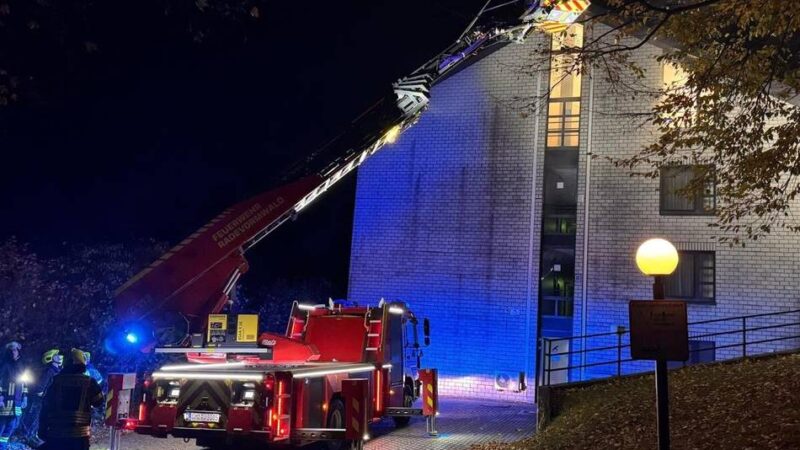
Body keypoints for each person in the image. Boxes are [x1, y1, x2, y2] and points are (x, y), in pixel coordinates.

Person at [39, 349, 103, 450]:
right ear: (82, 363)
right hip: (79, 436)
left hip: (57, 434)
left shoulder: (56, 380)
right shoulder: (89, 382)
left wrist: (42, 429)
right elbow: (98, 402)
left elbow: (46, 406)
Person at [24, 349, 62, 448]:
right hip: (42, 400)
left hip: (49, 400)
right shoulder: (50, 371)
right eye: (56, 355)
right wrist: (43, 395)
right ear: (50, 358)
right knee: (36, 418)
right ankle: (28, 436)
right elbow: (41, 386)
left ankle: (33, 436)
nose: (59, 356)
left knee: (41, 419)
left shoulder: (57, 371)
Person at [0, 341, 27, 450]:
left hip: (17, 401)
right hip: (6, 400)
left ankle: (2, 445)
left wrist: (25, 396)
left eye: (15, 350)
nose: (13, 352)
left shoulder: (22, 365)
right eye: (11, 350)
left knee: (11, 425)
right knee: (1, 423)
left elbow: (25, 382)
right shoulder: (5, 365)